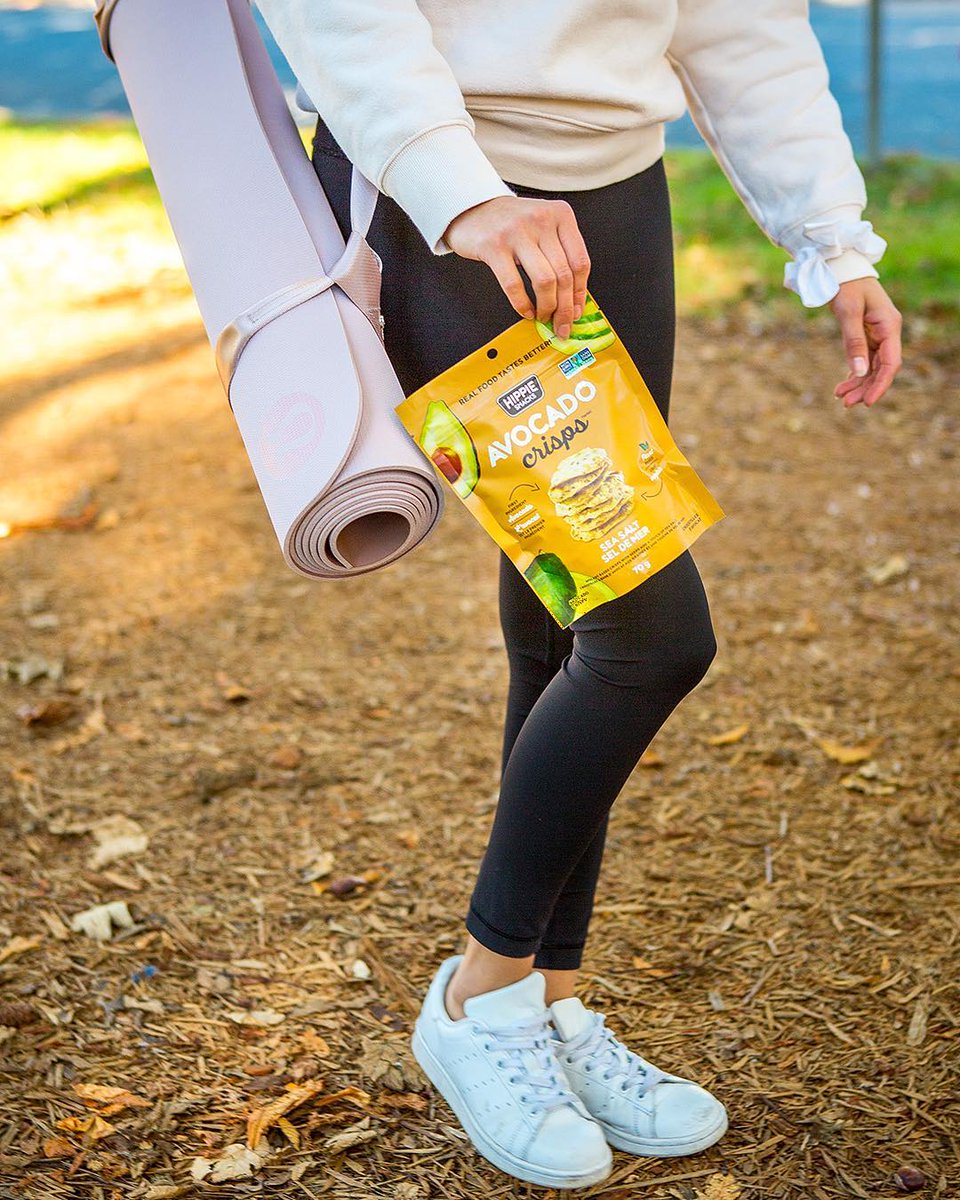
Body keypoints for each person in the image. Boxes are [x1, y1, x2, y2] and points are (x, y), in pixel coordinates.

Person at [257, 0, 903, 1189]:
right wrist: (462, 194)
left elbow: (742, 19)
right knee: (649, 636)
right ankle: (476, 998)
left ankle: (550, 1011)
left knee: (565, 627)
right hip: (448, 201)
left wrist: (833, 238)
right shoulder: (452, 192)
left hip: (615, 198)